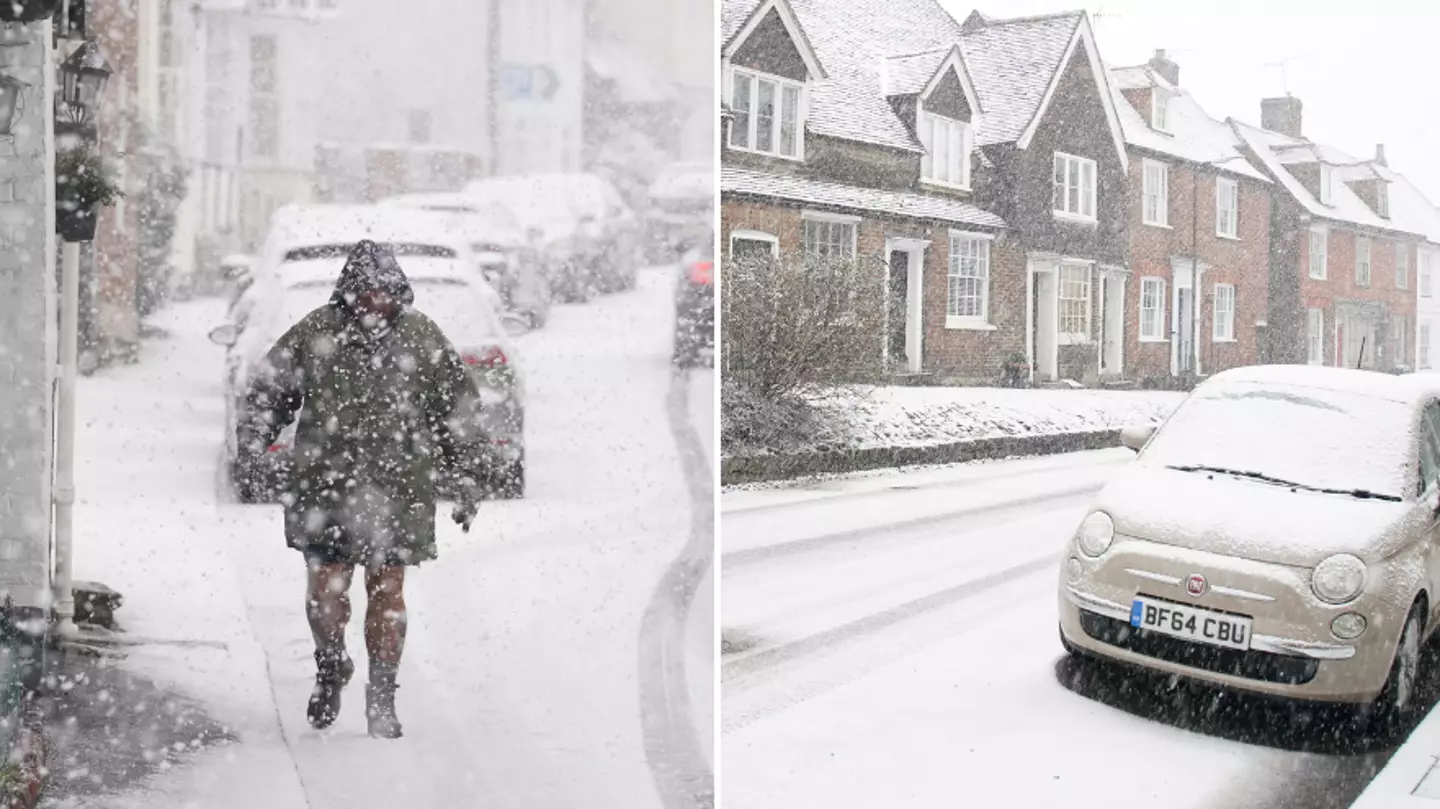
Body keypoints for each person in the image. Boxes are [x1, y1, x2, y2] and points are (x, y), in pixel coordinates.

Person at [236, 239, 487, 738]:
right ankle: (330, 666)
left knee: (387, 590)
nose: (376, 301)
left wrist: (467, 476)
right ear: (348, 292)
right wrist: (254, 439)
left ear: (399, 292)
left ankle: (382, 695)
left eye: (385, 291)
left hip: (399, 489)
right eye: (366, 291)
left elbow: (457, 409)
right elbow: (270, 388)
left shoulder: (420, 337)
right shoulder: (318, 331)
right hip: (326, 486)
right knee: (326, 588)